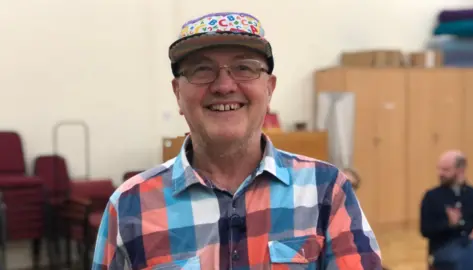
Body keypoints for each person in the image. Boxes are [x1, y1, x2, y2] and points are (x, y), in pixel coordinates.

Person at [92, 11, 382, 269]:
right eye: (201, 69)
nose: (224, 86)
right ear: (177, 94)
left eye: (245, 67)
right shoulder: (130, 206)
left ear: (269, 89)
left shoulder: (326, 192)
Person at [420, 150, 473, 270]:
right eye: (439, 169)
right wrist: (449, 224)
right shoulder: (431, 197)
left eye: (446, 170)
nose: (440, 173)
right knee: (467, 260)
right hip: (445, 246)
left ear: (460, 170)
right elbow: (425, 230)